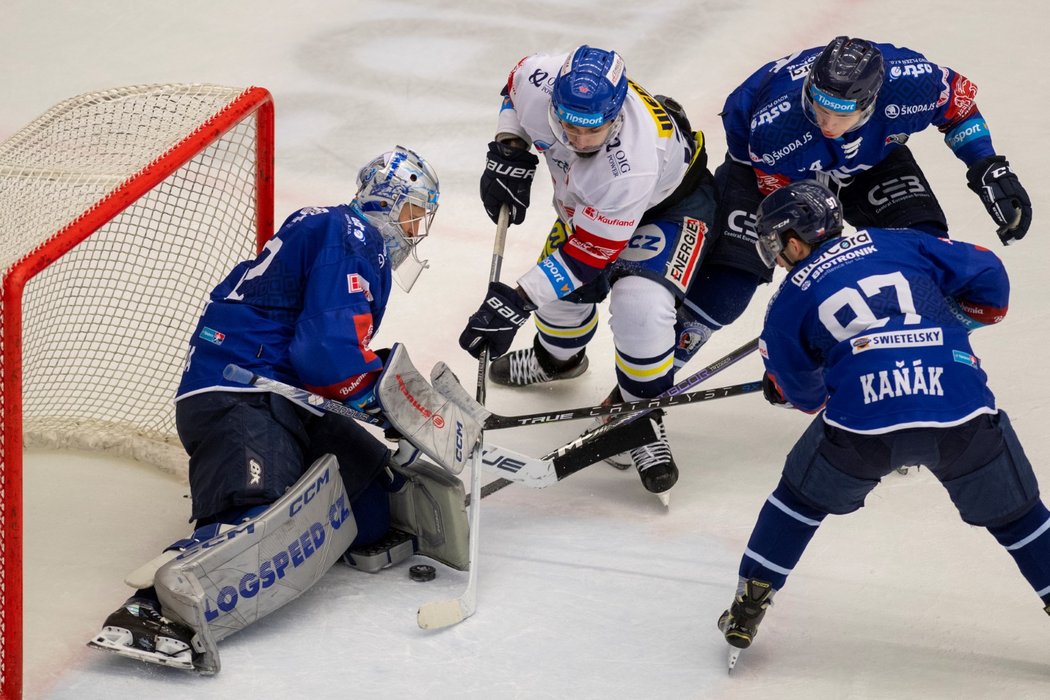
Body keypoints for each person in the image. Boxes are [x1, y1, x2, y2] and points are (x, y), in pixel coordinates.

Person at [88, 147, 469, 673]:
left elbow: (321, 353)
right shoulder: (353, 235)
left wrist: (380, 395)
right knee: (257, 518)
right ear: (392, 199)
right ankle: (153, 613)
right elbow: (326, 356)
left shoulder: (335, 229)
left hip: (285, 395)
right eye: (415, 211)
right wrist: (378, 402)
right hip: (240, 393)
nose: (416, 226)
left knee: (373, 504)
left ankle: (305, 510)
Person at [717, 180, 1050, 667]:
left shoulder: (788, 298)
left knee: (797, 502)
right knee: (1020, 516)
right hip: (960, 409)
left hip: (863, 428)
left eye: (776, 246)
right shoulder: (897, 240)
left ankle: (749, 603)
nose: (779, 259)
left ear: (794, 241)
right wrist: (954, 320)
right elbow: (991, 278)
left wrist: (796, 384)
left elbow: (806, 396)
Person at [458, 45, 761, 496]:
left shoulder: (632, 162)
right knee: (560, 305)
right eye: (569, 125)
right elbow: (513, 91)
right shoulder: (538, 79)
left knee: (641, 306)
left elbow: (587, 257)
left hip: (668, 207)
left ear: (617, 114)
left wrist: (516, 302)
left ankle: (642, 414)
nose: (579, 139)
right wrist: (510, 147)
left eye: (592, 128)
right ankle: (557, 362)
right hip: (586, 210)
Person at [675, 35, 1033, 370]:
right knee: (727, 288)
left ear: (873, 100)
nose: (828, 124)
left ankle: (914, 351)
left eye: (842, 115)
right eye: (820, 108)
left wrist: (987, 167)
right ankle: (643, 385)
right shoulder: (775, 127)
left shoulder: (912, 82)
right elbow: (787, 217)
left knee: (923, 254)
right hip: (772, 166)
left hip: (870, 156)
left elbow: (959, 107)